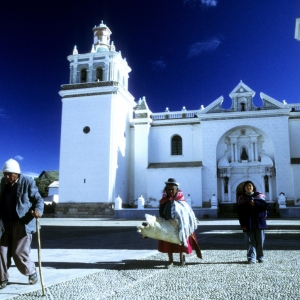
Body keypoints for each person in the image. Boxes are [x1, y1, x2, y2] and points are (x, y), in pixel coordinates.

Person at [0, 159, 44, 289]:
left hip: (22, 224)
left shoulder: (28, 182)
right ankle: (2, 278)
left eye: (9, 174)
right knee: (1, 251)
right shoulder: (3, 183)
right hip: (6, 224)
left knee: (19, 253)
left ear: (17, 173)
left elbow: (39, 200)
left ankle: (31, 272)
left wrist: (38, 211)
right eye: (4, 174)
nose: (6, 177)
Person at [158, 178, 202, 269]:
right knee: (168, 243)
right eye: (168, 189)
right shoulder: (164, 201)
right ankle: (170, 261)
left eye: (172, 189)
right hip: (168, 225)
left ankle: (181, 258)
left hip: (180, 226)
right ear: (166, 190)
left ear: (176, 190)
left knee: (181, 242)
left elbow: (187, 214)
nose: (170, 191)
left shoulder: (182, 201)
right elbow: (161, 212)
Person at [237, 180, 269, 264]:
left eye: (250, 186)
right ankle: (251, 258)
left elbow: (266, 206)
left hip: (259, 222)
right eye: (247, 186)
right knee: (250, 241)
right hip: (248, 222)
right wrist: (242, 224)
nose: (248, 187)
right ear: (244, 188)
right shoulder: (241, 199)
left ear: (253, 187)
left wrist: (256, 204)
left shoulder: (259, 197)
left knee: (260, 240)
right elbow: (240, 213)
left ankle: (260, 256)